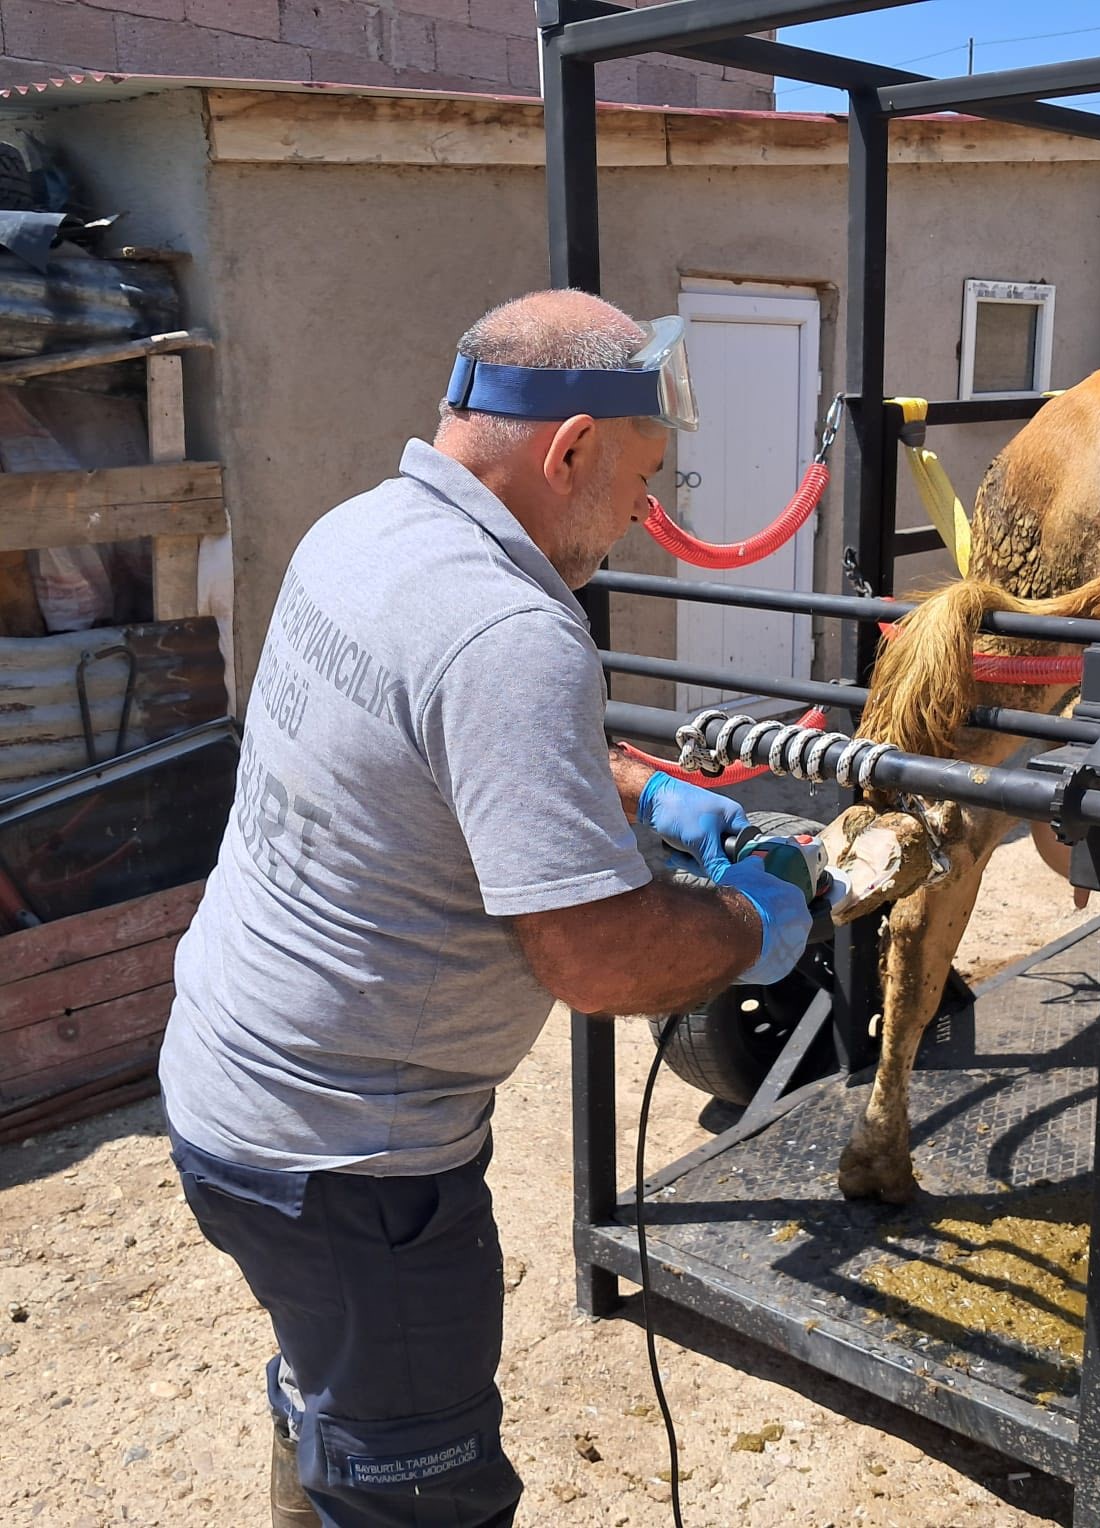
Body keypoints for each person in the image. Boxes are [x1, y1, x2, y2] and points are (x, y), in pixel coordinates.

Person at [158, 289, 813, 1527]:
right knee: (422, 1493)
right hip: (351, 1169)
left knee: (329, 1379)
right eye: (639, 481)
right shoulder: (515, 630)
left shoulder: (360, 534)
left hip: (225, 1094)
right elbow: (594, 958)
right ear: (567, 450)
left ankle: (324, 1455)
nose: (639, 521)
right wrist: (750, 927)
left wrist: (637, 789)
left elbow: (444, 742)